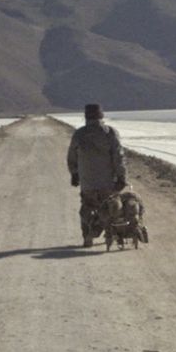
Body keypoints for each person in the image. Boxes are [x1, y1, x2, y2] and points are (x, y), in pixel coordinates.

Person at [67, 103, 127, 247]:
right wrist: (121, 177)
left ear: (86, 116)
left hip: (87, 182)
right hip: (107, 182)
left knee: (87, 206)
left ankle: (88, 235)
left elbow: (71, 157)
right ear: (101, 115)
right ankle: (111, 233)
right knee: (111, 207)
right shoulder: (109, 133)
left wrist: (74, 174)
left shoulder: (79, 134)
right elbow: (118, 157)